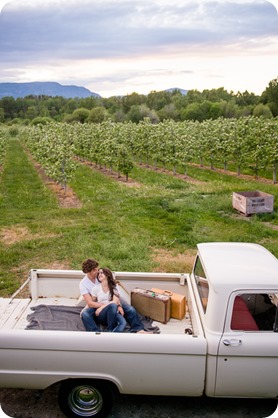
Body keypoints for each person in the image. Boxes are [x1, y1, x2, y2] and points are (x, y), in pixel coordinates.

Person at [79, 258, 146, 333]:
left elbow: (115, 293)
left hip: (112, 300)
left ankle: (138, 329)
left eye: (97, 268)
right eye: (94, 270)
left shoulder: (103, 274)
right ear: (88, 272)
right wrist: (87, 308)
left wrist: (118, 305)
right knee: (85, 314)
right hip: (97, 304)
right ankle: (95, 332)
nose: (97, 271)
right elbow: (91, 302)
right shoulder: (83, 284)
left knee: (130, 310)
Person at [90, 267, 126, 332]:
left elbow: (115, 301)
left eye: (101, 273)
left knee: (123, 323)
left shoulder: (114, 287)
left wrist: (103, 306)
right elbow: (92, 302)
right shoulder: (96, 288)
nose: (99, 274)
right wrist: (85, 309)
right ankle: (110, 329)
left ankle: (111, 335)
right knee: (112, 305)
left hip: (113, 312)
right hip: (102, 313)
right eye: (98, 273)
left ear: (107, 275)